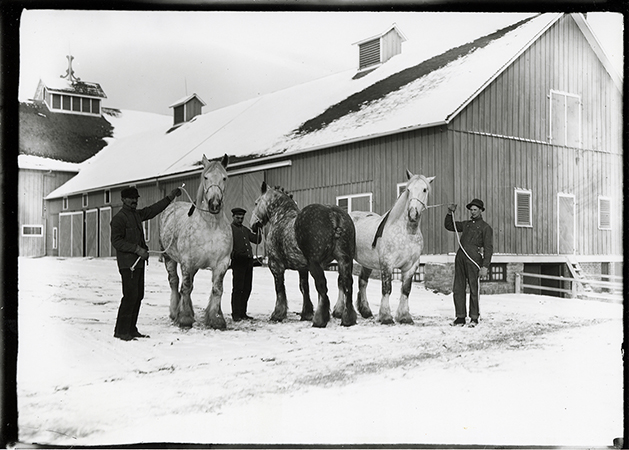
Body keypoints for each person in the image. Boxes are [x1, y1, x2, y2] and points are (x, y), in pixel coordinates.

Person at [111, 186, 181, 341]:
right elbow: (116, 241)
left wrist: (169, 197)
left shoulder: (136, 215)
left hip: (139, 264)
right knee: (129, 296)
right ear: (123, 199)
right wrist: (137, 249)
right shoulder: (118, 218)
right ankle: (121, 331)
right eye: (130, 198)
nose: (134, 201)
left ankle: (131, 328)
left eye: (136, 198)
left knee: (138, 296)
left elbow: (153, 209)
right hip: (128, 265)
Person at [444, 198, 493, 328]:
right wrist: (450, 213)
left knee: (473, 289)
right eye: (471, 210)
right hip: (461, 258)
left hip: (474, 260)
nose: (473, 212)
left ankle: (474, 318)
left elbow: (488, 248)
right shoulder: (465, 224)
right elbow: (449, 226)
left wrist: (485, 266)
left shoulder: (486, 227)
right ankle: (460, 317)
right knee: (458, 288)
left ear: (481, 211)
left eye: (475, 210)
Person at [230, 207, 262, 321]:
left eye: (242, 218)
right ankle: (236, 314)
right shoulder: (230, 230)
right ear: (233, 217)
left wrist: (258, 229)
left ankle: (243, 312)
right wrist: (233, 254)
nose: (240, 220)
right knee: (238, 288)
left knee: (247, 288)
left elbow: (257, 240)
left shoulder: (245, 230)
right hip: (238, 262)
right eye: (238, 218)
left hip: (248, 262)